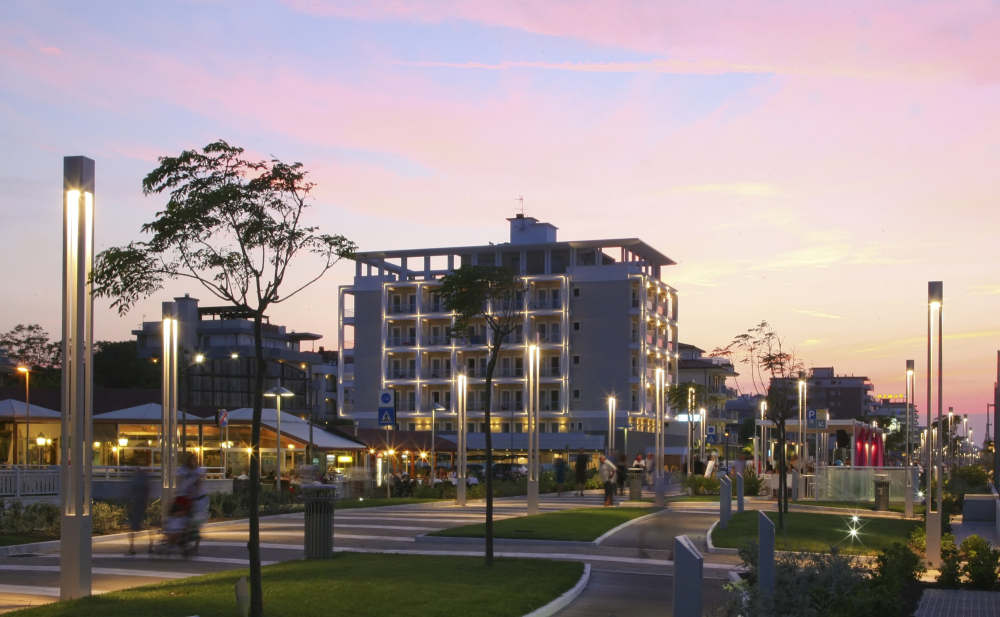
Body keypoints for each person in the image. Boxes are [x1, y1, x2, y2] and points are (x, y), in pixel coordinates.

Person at [126, 466, 151, 555]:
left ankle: (149, 546)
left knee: (146, 525)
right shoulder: (139, 478)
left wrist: (145, 502)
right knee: (134, 526)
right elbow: (133, 490)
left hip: (140, 503)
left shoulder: (142, 478)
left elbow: (146, 489)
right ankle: (132, 547)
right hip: (137, 503)